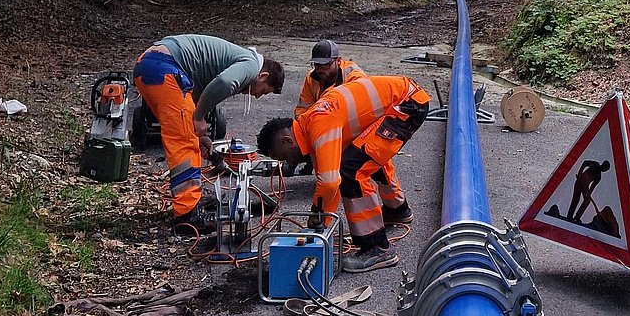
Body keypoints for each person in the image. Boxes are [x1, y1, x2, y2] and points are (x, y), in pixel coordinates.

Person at [257, 73, 430, 267]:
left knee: (352, 171)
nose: (287, 162)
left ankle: (377, 247)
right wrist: (321, 226)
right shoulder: (309, 127)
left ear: (287, 141)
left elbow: (330, 182)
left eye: (282, 156)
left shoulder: (319, 123)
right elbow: (327, 183)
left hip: (406, 104)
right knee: (364, 157)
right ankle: (397, 210)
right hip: (404, 99)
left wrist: (317, 216)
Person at [134, 35, 284, 231]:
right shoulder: (250, 65)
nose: (256, 96)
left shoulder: (239, 59)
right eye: (263, 91)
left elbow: (195, 99)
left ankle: (189, 203)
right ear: (262, 76)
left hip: (151, 65)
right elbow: (223, 82)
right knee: (184, 141)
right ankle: (187, 216)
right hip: (164, 68)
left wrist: (201, 134)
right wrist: (199, 117)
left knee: (187, 134)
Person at [291, 39, 367, 173]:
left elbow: (362, 112)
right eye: (316, 64)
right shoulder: (311, 78)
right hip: (325, 124)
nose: (320, 69)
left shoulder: (355, 77)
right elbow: (303, 109)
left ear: (338, 61)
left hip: (352, 126)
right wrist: (307, 131)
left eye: (325, 64)